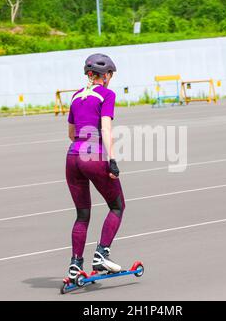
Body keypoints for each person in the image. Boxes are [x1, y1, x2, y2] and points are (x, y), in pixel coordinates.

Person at [65, 53, 125, 281]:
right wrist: (111, 161)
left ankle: (75, 264)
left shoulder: (75, 96)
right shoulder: (107, 95)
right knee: (117, 206)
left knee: (82, 215)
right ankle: (101, 254)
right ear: (106, 75)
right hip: (94, 155)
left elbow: (71, 134)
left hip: (72, 158)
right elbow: (106, 129)